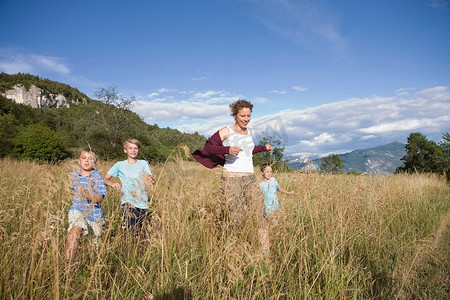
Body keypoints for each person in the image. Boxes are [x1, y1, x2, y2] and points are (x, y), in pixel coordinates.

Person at [192, 99, 273, 249]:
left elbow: (249, 151)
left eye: (248, 116)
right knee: (237, 220)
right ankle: (235, 253)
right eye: (243, 116)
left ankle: (265, 253)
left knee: (259, 214)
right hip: (231, 180)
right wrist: (226, 150)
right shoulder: (226, 131)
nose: (246, 119)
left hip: (250, 178)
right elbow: (208, 148)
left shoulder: (249, 132)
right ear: (235, 115)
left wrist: (263, 147)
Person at [104, 138, 155, 235]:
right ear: (125, 150)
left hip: (143, 201)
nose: (133, 150)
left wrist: (151, 179)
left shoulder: (143, 163)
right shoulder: (119, 165)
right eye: (130, 148)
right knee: (130, 230)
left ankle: (139, 249)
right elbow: (105, 179)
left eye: (135, 148)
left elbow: (151, 181)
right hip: (128, 201)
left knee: (141, 232)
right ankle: (127, 247)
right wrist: (112, 184)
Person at [65, 149, 107, 262]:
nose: (87, 161)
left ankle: (89, 267)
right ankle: (68, 265)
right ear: (79, 161)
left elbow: (100, 198)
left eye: (90, 159)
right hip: (77, 210)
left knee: (93, 248)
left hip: (95, 214)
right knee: (75, 230)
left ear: (95, 163)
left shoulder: (97, 177)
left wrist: (85, 194)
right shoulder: (74, 175)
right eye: (84, 158)